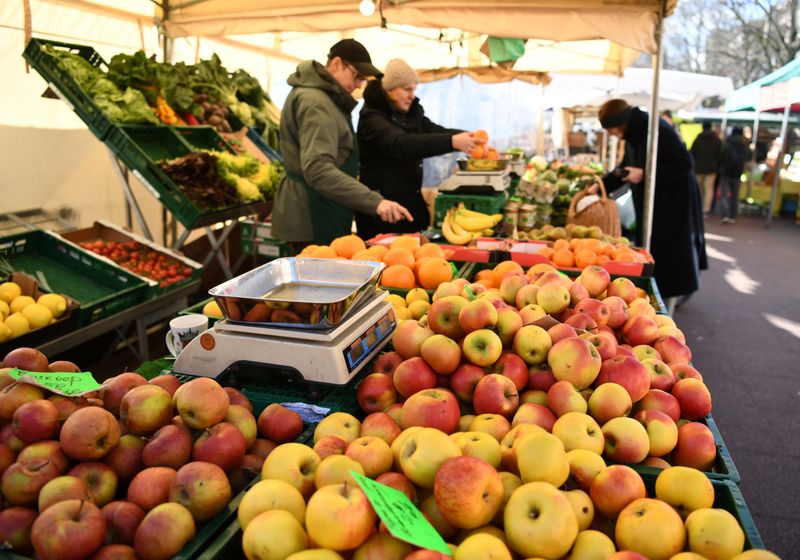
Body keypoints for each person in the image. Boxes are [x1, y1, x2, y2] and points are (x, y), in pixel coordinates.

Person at [271, 39, 412, 247]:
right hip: (312, 214)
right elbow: (318, 169)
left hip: (321, 208)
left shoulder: (326, 99)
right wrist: (374, 201)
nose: (359, 86)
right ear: (336, 63)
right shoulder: (316, 103)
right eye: (357, 76)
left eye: (363, 79)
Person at [355, 58, 485, 238]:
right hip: (383, 211)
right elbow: (401, 144)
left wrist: (470, 137)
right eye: (407, 89)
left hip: (409, 203)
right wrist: (452, 142)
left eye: (414, 90)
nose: (412, 96)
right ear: (389, 88)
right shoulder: (372, 118)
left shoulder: (409, 115)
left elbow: (434, 131)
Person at [599, 99, 707, 310]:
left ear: (620, 122)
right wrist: (600, 185)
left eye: (611, 129)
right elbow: (625, 168)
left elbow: (685, 163)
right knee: (655, 250)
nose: (611, 134)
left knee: (668, 253)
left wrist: (646, 174)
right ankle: (657, 295)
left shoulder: (657, 131)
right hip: (653, 205)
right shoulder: (633, 134)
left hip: (671, 204)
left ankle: (666, 301)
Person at [718, 126, 752, 224]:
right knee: (735, 195)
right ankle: (732, 215)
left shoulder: (727, 145)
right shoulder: (744, 146)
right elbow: (748, 157)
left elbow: (720, 157)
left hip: (725, 173)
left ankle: (724, 215)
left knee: (724, 195)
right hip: (737, 174)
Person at [690, 122, 723, 215]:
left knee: (698, 189)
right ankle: (706, 209)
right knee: (709, 189)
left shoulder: (697, 139)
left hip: (698, 168)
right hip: (712, 169)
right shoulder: (717, 140)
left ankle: (697, 207)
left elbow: (692, 153)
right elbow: (720, 155)